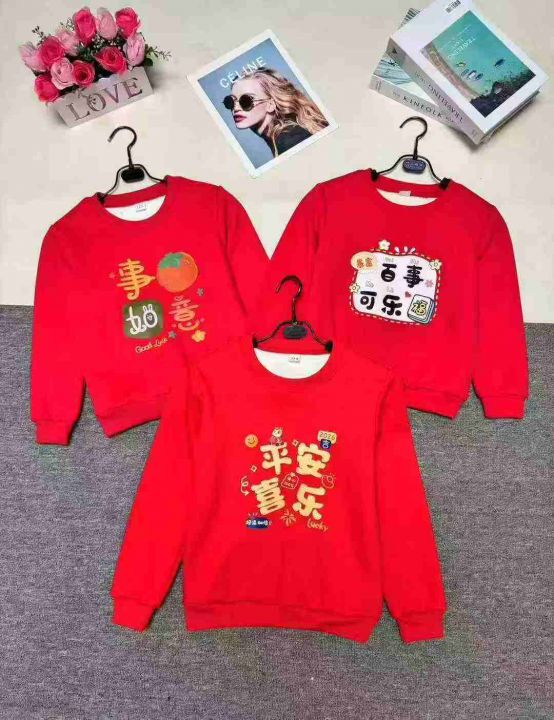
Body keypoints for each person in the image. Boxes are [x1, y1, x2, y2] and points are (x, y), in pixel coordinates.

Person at [223, 68, 329, 157]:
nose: (235, 108)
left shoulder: (291, 141)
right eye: (231, 102)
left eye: (246, 101)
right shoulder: (284, 136)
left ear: (271, 104)